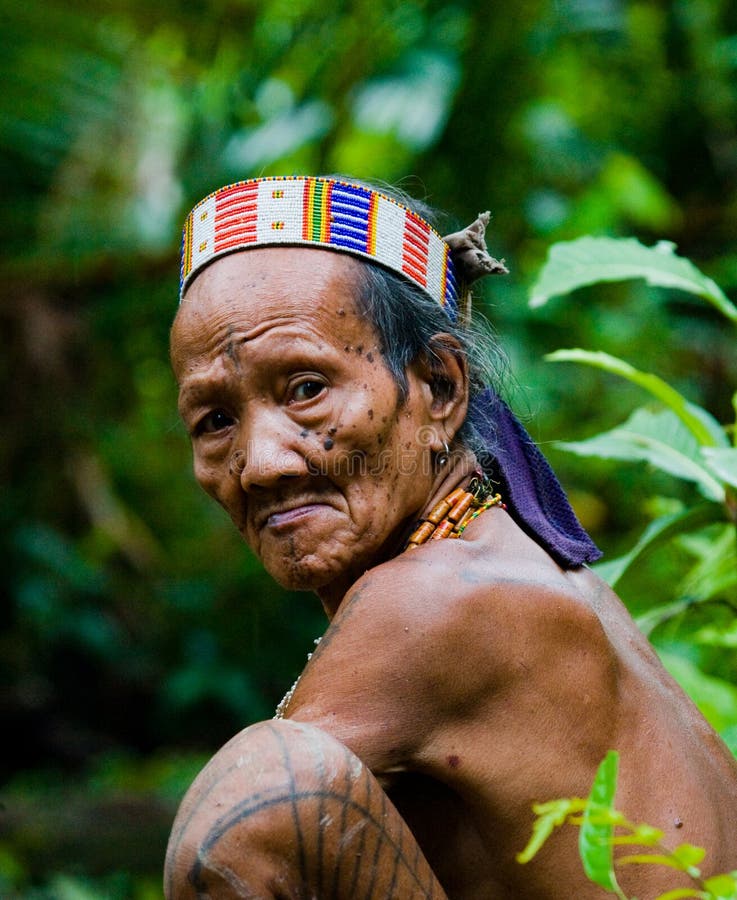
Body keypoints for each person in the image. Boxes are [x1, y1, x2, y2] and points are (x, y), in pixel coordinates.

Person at [164, 176, 737, 899]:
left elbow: (238, 844)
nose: (261, 462)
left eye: (306, 387)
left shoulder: (438, 602)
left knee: (272, 788)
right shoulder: (497, 562)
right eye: (214, 421)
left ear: (437, 387)